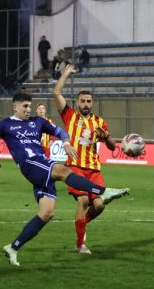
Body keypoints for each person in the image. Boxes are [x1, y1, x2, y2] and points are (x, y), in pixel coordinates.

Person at [0, 91, 129, 267]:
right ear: (15, 107)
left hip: (41, 164)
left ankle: (13, 247)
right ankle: (103, 192)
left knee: (47, 213)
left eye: (30, 106)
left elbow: (60, 131)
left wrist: (65, 142)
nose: (28, 109)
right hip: (30, 164)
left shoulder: (37, 122)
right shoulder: (5, 125)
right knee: (63, 171)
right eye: (25, 106)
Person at [53, 63, 127, 254]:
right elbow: (56, 93)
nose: (86, 104)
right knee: (83, 201)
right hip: (76, 167)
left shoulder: (100, 122)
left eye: (89, 101)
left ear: (92, 103)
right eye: (83, 101)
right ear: (77, 102)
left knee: (100, 205)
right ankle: (80, 244)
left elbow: (112, 147)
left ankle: (81, 225)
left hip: (94, 169)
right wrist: (65, 75)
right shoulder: (69, 116)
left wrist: (106, 137)